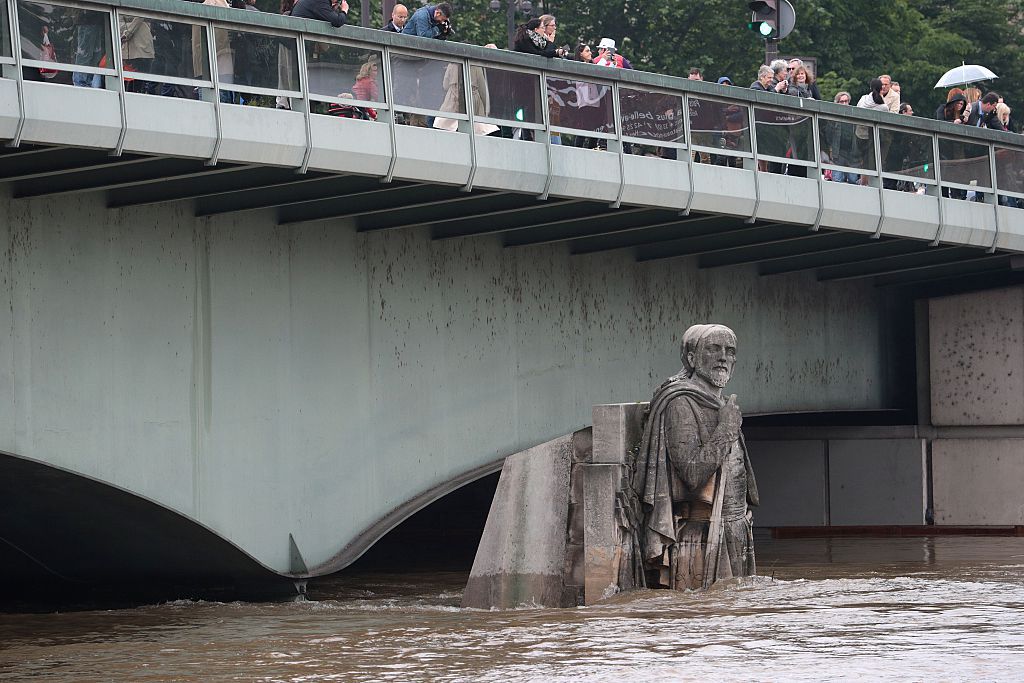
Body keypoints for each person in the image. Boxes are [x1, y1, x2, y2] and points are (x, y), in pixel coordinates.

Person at [631, 324, 759, 590]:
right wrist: (726, 429)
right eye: (713, 349)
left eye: (730, 351)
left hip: (735, 529)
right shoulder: (681, 403)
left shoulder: (722, 404)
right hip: (703, 534)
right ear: (691, 358)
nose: (723, 357)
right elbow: (691, 473)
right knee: (704, 616)